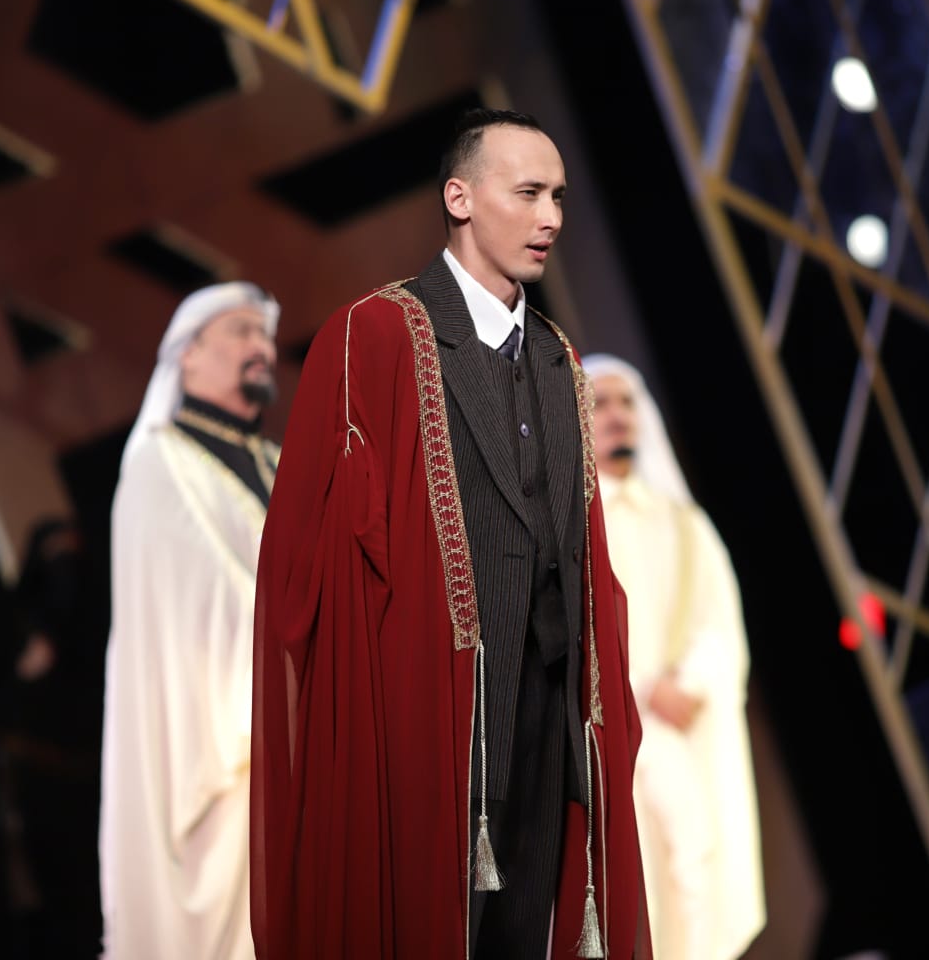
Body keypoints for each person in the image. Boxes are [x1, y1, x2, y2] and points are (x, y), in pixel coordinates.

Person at [249, 109, 647, 958]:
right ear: (459, 197)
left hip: (548, 718)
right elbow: (316, 558)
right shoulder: (376, 333)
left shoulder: (559, 361)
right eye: (529, 193)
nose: (551, 218)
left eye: (559, 197)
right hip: (431, 715)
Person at [99, 281, 281, 959]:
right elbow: (205, 597)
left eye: (264, 334)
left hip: (304, 723)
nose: (260, 347)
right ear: (189, 356)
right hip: (224, 747)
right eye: (240, 331)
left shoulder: (280, 462)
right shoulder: (159, 461)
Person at [585, 354, 765, 959]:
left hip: (677, 724)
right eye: (601, 404)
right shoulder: (570, 528)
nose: (617, 416)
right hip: (610, 732)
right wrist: (639, 686)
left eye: (627, 402)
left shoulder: (684, 525)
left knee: (699, 861)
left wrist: (689, 681)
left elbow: (719, 623)